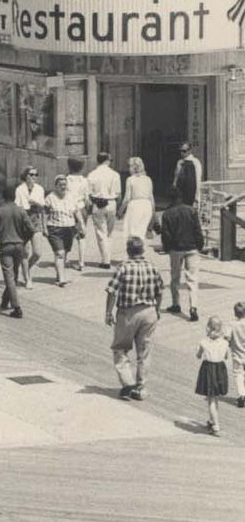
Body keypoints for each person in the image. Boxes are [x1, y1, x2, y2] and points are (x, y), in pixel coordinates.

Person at [105, 235, 164, 401]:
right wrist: (157, 310)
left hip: (128, 312)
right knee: (144, 351)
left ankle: (127, 381)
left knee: (120, 348)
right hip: (149, 311)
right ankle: (141, 387)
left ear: (128, 251)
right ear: (143, 250)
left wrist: (108, 312)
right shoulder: (152, 267)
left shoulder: (123, 267)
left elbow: (112, 291)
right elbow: (160, 291)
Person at [0, 186, 33, 319]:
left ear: (3, 197)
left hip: (5, 246)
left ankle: (17, 307)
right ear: (14, 197)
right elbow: (31, 229)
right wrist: (24, 239)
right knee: (13, 274)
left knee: (9, 276)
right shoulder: (21, 211)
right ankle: (4, 300)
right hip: (19, 245)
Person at [161, 191, 205, 322]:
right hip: (192, 247)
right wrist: (200, 244)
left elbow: (166, 235)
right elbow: (198, 230)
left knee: (175, 277)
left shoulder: (167, 214)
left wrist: (167, 248)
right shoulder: (191, 211)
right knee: (192, 279)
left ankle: (176, 304)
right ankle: (193, 307)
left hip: (176, 249)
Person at [44, 174, 86, 287]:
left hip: (69, 228)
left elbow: (76, 211)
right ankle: (61, 279)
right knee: (60, 253)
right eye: (60, 185)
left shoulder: (71, 196)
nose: (63, 187)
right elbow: (44, 213)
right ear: (55, 186)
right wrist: (44, 228)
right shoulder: (50, 198)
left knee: (65, 252)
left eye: (64, 184)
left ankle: (59, 274)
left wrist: (81, 224)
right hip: (54, 228)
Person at [196, 315, 230, 436]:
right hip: (220, 369)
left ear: (208, 328)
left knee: (210, 399)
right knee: (216, 396)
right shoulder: (225, 343)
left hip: (208, 369)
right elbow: (226, 356)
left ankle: (215, 425)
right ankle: (212, 420)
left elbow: (198, 355)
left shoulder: (204, 342)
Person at [13, 166, 48, 287]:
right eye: (31, 174)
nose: (34, 177)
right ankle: (27, 278)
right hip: (23, 219)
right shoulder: (19, 189)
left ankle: (26, 269)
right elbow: (17, 206)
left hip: (35, 218)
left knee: (37, 253)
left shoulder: (39, 189)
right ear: (25, 176)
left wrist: (37, 204)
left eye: (36, 174)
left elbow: (43, 207)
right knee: (25, 252)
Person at [87, 152, 122, 268]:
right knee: (109, 233)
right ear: (107, 160)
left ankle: (105, 260)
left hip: (98, 203)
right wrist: (119, 207)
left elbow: (89, 193)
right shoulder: (115, 174)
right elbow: (118, 193)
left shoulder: (92, 174)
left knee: (101, 233)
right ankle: (107, 258)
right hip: (111, 203)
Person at [119, 157, 155, 244]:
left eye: (129, 166)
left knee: (133, 232)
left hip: (135, 205)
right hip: (147, 206)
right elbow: (151, 198)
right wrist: (153, 212)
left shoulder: (130, 179)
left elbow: (127, 198)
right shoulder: (148, 179)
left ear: (134, 167)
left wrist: (120, 211)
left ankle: (133, 253)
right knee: (141, 232)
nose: (128, 168)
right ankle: (140, 251)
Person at [228, 300, 245, 409]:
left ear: (235, 313)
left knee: (238, 374)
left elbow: (227, 337)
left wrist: (229, 344)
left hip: (237, 355)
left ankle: (241, 395)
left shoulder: (232, 324)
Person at [174, 141, 202, 205]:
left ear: (189, 151)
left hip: (190, 192)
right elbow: (176, 176)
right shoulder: (179, 162)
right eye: (180, 151)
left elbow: (197, 179)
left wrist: (196, 196)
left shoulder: (195, 162)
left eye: (184, 151)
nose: (181, 153)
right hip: (180, 193)